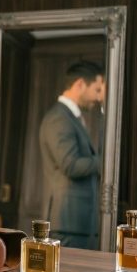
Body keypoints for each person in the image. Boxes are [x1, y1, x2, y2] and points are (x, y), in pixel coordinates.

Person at [39, 60, 104, 250]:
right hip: (68, 224)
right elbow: (71, 165)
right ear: (80, 84)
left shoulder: (70, 117)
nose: (98, 97)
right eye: (97, 90)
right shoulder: (59, 117)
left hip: (76, 224)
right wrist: (107, 163)